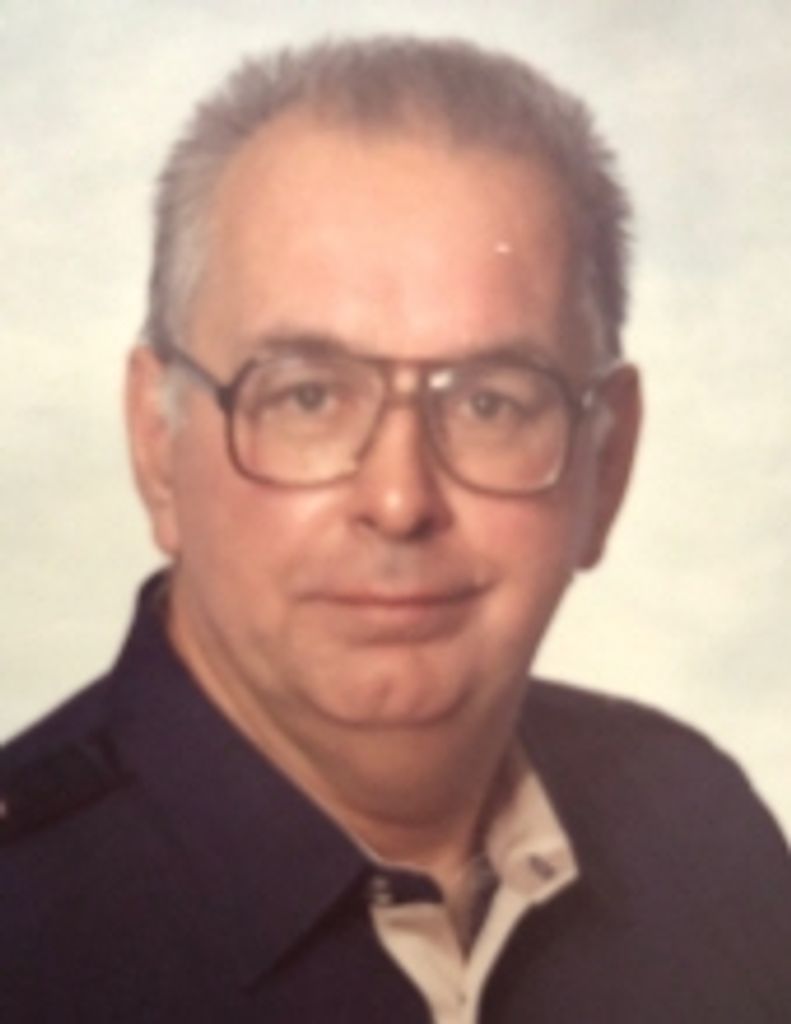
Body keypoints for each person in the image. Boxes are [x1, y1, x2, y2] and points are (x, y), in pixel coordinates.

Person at [1, 36, 788, 1024]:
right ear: (158, 444)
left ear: (608, 462)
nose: (398, 499)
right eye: (308, 396)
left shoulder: (701, 833)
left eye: (491, 403)